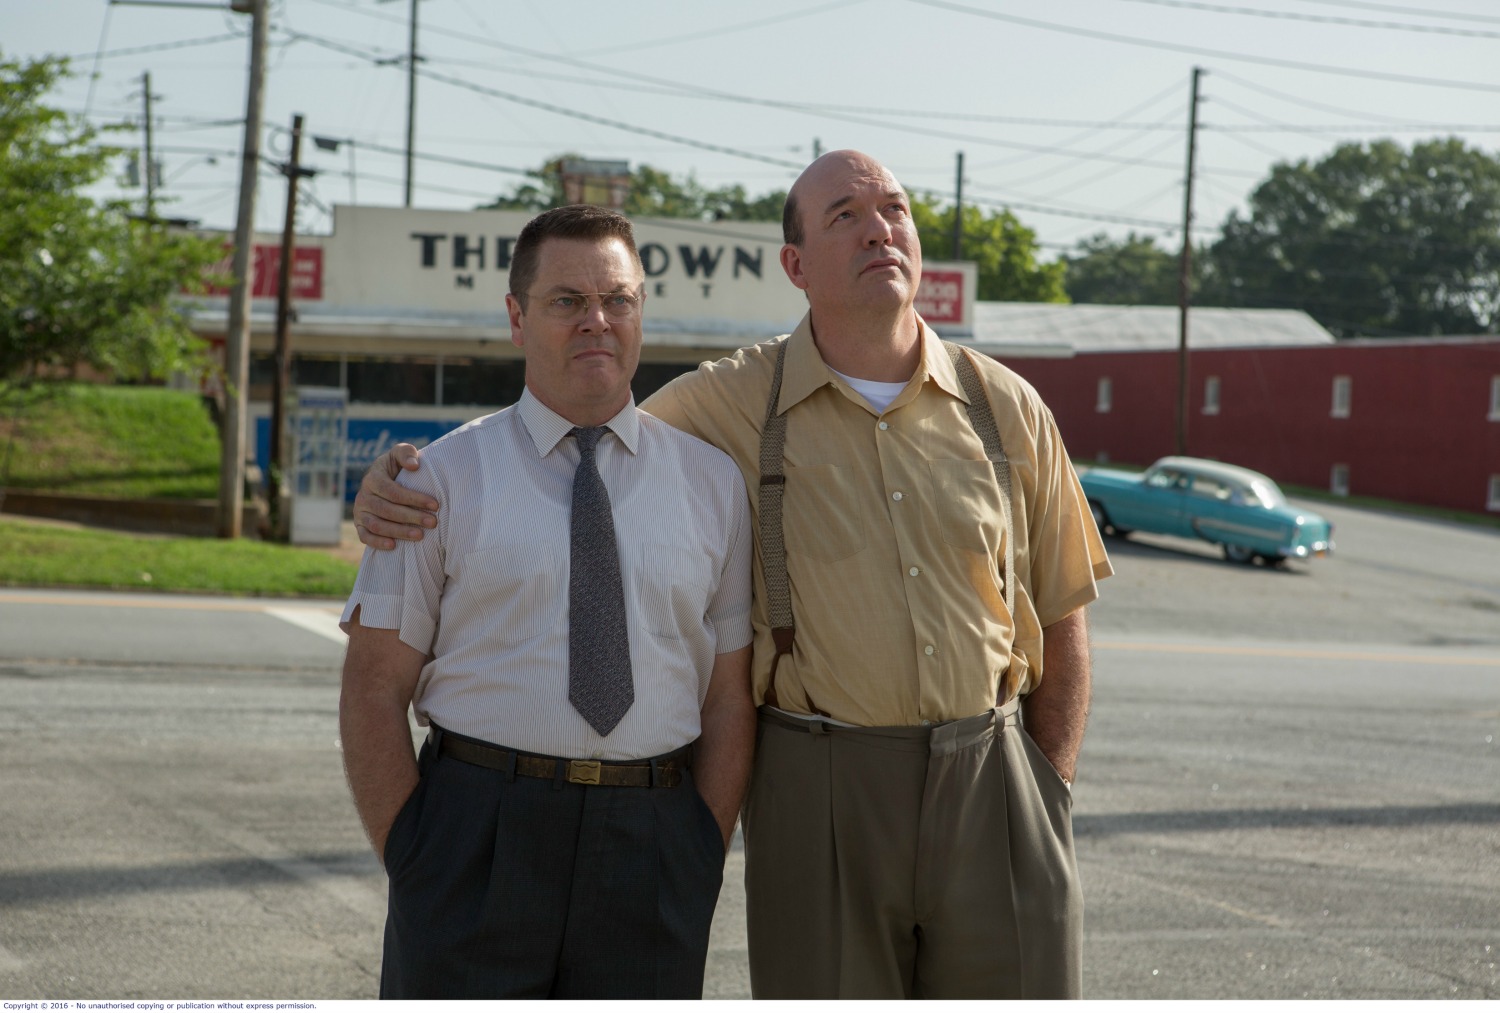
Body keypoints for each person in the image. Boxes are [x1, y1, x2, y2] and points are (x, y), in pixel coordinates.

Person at [353, 151, 1112, 999]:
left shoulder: (1004, 405)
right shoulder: (723, 405)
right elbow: (582, 417)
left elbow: (1062, 610)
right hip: (773, 791)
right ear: (795, 265)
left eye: (894, 209)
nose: (878, 229)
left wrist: (1049, 789)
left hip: (970, 780)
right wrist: (392, 482)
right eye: (845, 216)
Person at [338, 204, 754, 1000]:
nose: (597, 320)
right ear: (516, 316)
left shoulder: (713, 484)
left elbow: (729, 695)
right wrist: (416, 856)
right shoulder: (434, 480)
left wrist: (703, 842)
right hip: (476, 836)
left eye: (618, 299)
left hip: (655, 843)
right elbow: (372, 686)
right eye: (567, 301)